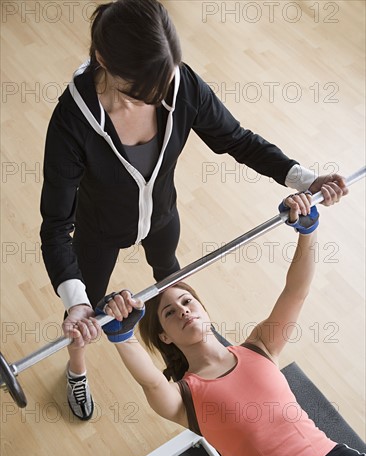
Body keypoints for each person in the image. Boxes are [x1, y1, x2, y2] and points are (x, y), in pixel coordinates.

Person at [40, 0, 347, 420]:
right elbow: (56, 227)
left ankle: (198, 349)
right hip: (99, 230)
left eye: (168, 80)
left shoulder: (178, 81)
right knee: (86, 317)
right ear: (103, 61)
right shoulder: (72, 122)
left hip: (163, 215)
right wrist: (75, 304)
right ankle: (76, 370)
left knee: (170, 272)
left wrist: (302, 178)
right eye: (151, 88)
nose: (166, 93)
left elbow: (237, 139)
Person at [80, 187, 366, 456]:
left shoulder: (260, 346)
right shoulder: (183, 399)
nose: (183, 310)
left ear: (203, 308)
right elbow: (151, 383)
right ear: (165, 337)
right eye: (170, 312)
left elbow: (295, 292)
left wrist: (308, 232)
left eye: (187, 301)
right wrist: (121, 335)